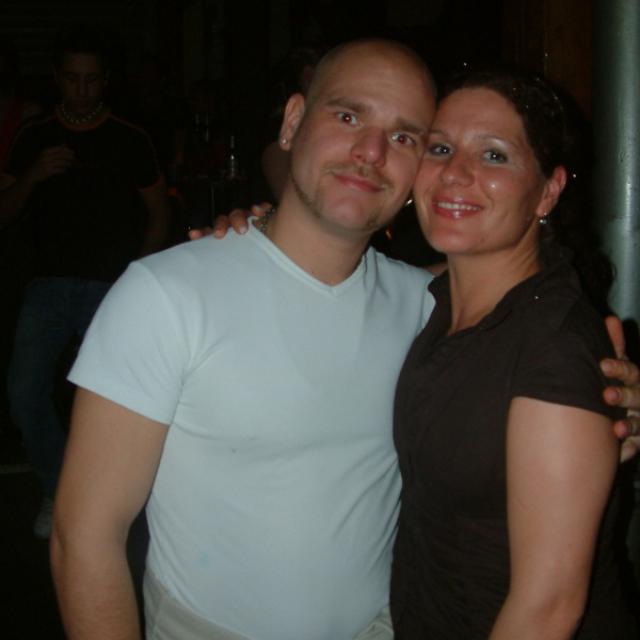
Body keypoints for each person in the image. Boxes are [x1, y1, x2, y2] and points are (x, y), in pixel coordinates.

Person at [51, 39, 640, 640]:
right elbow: (84, 537)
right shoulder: (167, 294)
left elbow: (528, 325)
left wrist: (605, 405)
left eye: (405, 136)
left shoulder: (424, 303)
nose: (371, 152)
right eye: (349, 116)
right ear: (292, 122)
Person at [389, 68, 639, 638]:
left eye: (494, 155)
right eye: (440, 148)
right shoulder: (443, 300)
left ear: (548, 190)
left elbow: (548, 609)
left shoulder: (554, 347)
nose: (455, 173)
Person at [0, 25, 170, 539]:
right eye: (72, 78)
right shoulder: (34, 136)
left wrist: (137, 278)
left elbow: (159, 212)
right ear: (57, 78)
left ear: (106, 80)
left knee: (113, 400)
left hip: (110, 288)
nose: (81, 89)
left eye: (91, 79)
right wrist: (34, 175)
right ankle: (58, 488)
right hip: (48, 285)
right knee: (24, 393)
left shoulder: (129, 136)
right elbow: (5, 212)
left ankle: (110, 499)